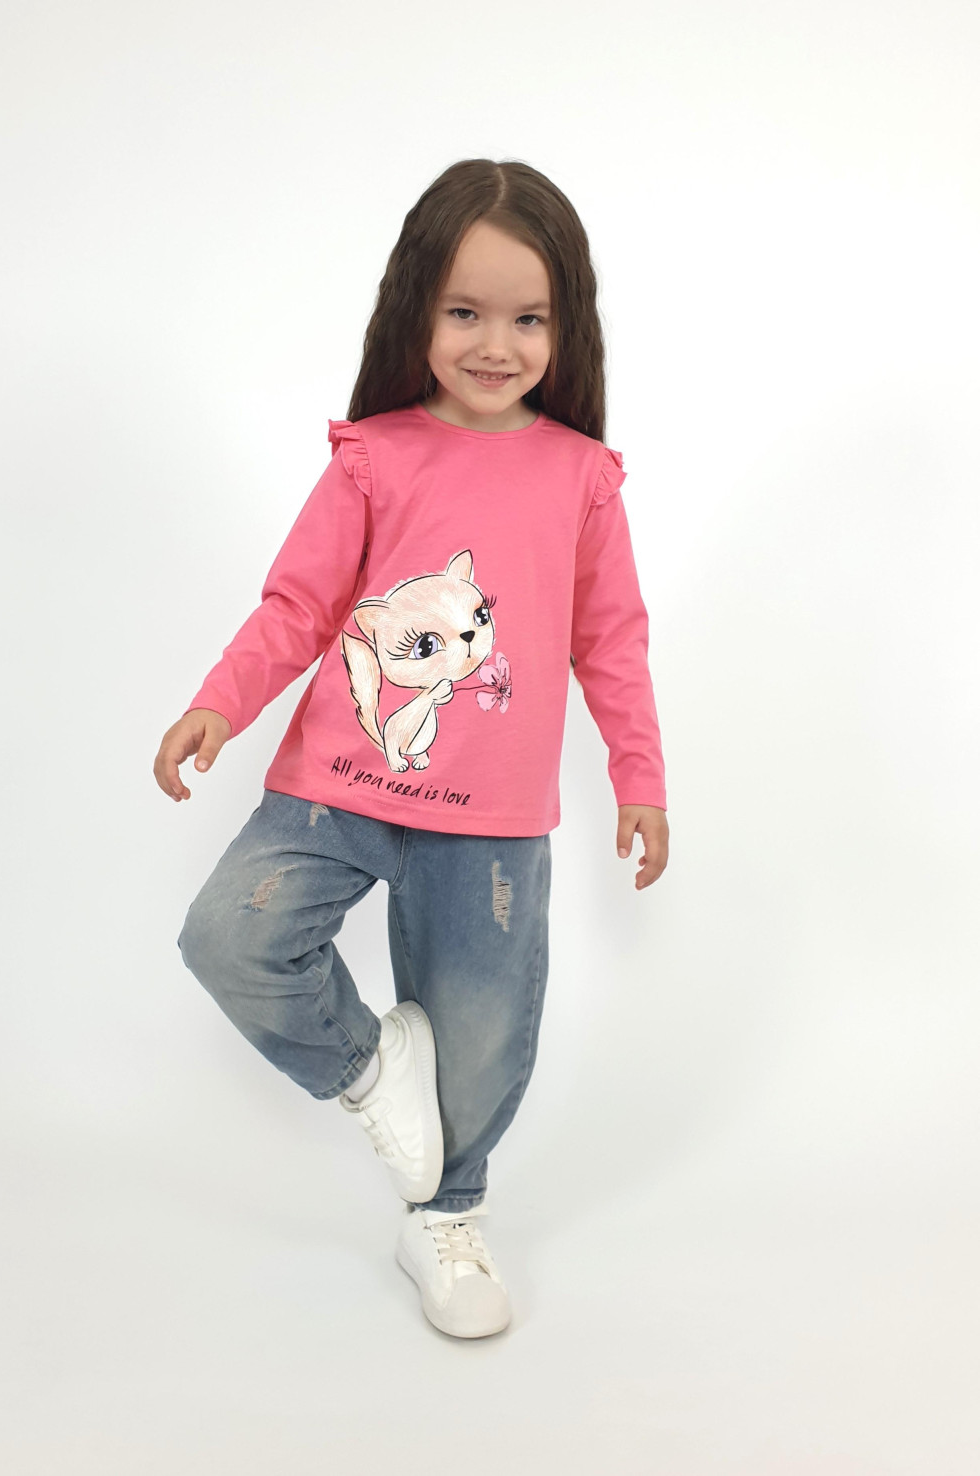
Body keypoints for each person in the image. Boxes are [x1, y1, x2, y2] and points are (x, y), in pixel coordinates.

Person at [153, 157, 669, 1340]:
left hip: (490, 819)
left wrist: (637, 778)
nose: (495, 344)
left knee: (482, 1039)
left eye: (528, 318)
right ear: (415, 310)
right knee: (230, 936)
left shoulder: (581, 478)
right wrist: (220, 703)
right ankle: (369, 1069)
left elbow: (611, 641)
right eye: (464, 312)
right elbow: (296, 606)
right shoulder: (373, 456)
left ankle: (443, 1217)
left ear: (566, 325)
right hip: (339, 787)